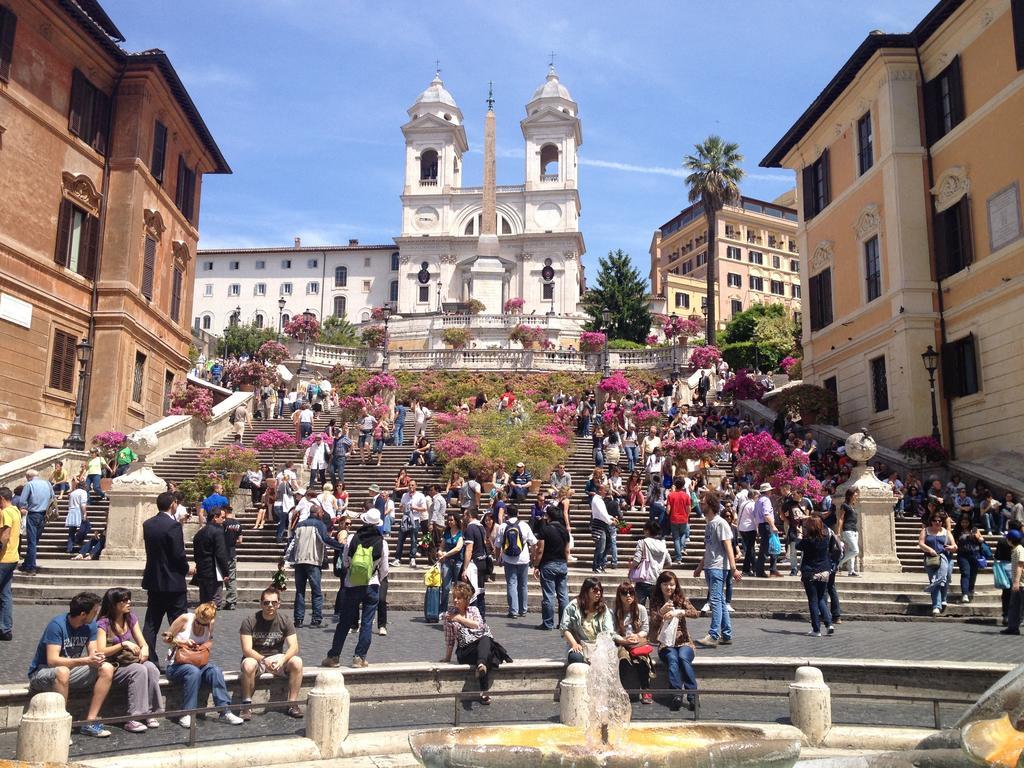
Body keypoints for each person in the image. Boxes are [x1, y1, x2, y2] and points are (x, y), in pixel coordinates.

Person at [27, 592, 113, 737]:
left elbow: (93, 650)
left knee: (107, 668)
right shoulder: (57, 625)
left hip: (70, 671)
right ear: (83, 614)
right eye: (94, 611)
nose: (96, 614)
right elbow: (52, 660)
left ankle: (89, 722)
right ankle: (60, 728)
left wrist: (96, 657)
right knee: (62, 671)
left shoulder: (90, 625)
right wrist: (85, 660)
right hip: (42, 673)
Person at [323, 509, 389, 668]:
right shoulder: (382, 542)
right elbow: (385, 569)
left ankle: (334, 657)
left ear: (364, 521)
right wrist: (376, 578)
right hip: (371, 585)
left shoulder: (352, 538)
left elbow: (345, 560)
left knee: (344, 622)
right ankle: (359, 658)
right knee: (367, 623)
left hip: (352, 584)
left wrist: (352, 572)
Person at [163, 602, 244, 727]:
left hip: (198, 663)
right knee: (192, 672)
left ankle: (225, 711)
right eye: (198, 622)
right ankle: (187, 714)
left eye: (204, 624)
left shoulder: (210, 624)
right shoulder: (185, 619)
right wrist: (181, 642)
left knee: (215, 670)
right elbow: (165, 638)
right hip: (176, 666)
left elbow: (208, 640)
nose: (200, 625)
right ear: (196, 615)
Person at [95, 588, 164, 732]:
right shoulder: (104, 623)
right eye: (124, 600)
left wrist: (144, 649)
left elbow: (142, 641)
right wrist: (123, 644)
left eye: (129, 599)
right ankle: (133, 718)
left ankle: (149, 712)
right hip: (112, 664)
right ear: (114, 604)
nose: (129, 602)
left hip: (128, 660)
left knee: (151, 667)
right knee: (139, 670)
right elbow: (101, 651)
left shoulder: (130, 618)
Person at [441, 582, 512, 704]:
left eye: (459, 598)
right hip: (465, 651)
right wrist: (447, 658)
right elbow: (450, 640)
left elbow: (478, 625)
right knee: (488, 648)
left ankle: (481, 668)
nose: (456, 601)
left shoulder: (474, 610)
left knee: (485, 641)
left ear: (466, 599)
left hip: (479, 648)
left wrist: (458, 618)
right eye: (454, 598)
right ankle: (482, 674)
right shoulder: (449, 615)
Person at [142, 491, 191, 666]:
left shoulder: (148, 524)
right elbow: (178, 554)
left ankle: (149, 658)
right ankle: (180, 658)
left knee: (151, 623)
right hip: (173, 582)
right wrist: (187, 569)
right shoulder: (174, 526)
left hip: (154, 580)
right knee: (179, 622)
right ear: (173, 504)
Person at [239, 587, 304, 720]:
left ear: (279, 604)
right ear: (261, 604)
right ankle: (246, 704)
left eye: (274, 602)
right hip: (255, 656)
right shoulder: (249, 621)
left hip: (277, 657)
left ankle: (292, 703)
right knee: (248, 665)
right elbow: (246, 649)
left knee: (297, 662)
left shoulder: (285, 620)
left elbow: (294, 647)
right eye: (266, 602)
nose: (270, 606)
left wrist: (282, 660)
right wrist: (263, 660)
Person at [693, 493, 740, 647]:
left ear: (711, 505)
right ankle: (726, 634)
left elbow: (728, 546)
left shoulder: (720, 523)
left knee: (714, 600)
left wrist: (733, 568)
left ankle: (714, 634)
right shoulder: (710, 524)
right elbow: (709, 549)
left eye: (704, 503)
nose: (701, 505)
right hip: (710, 566)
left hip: (718, 568)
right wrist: (700, 566)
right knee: (719, 600)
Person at [649, 571, 699, 711]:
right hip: (666, 644)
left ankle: (692, 695)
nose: (668, 588)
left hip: (684, 642)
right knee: (672, 658)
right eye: (665, 584)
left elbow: (696, 613)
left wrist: (680, 612)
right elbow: (652, 624)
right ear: (660, 585)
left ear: (675, 585)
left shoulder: (681, 599)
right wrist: (660, 613)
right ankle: (676, 694)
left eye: (671, 584)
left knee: (682, 657)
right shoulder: (656, 602)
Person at [292, 506, 343, 628]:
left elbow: (294, 542)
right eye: (322, 512)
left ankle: (298, 619)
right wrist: (342, 546)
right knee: (316, 592)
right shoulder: (319, 525)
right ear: (318, 513)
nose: (323, 514)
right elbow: (325, 540)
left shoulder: (300, 524)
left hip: (299, 561)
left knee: (300, 591)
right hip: (313, 560)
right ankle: (316, 619)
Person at [612, 581, 654, 704]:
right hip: (622, 643)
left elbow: (645, 629)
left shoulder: (640, 609)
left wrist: (637, 636)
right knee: (623, 659)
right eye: (625, 593)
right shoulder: (614, 612)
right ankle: (621, 691)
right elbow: (612, 632)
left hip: (637, 642)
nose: (628, 596)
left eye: (631, 593)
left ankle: (646, 689)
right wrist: (623, 640)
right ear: (619, 596)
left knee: (642, 658)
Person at [795, 516, 835, 636]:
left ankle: (816, 629)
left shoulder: (808, 540)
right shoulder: (826, 538)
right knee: (821, 598)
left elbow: (798, 545)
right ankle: (829, 623)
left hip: (810, 571)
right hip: (824, 571)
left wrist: (800, 534)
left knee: (813, 600)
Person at [496, 505, 537, 618]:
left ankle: (513, 610)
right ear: (518, 513)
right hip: (523, 559)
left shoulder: (503, 526)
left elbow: (497, 545)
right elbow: (534, 543)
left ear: (507, 514)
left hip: (508, 559)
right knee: (523, 585)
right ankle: (523, 609)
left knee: (511, 584)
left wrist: (498, 558)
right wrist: (532, 558)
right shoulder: (524, 525)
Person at [534, 505, 570, 630]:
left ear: (548, 516)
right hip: (562, 563)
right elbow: (567, 550)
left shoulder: (545, 529)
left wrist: (536, 565)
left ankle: (548, 623)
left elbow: (540, 550)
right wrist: (564, 562)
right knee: (563, 595)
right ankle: (563, 623)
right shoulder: (564, 530)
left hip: (548, 564)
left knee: (549, 595)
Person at [560, 577, 613, 664]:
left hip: (599, 646)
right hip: (579, 645)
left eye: (600, 590)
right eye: (595, 590)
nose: (598, 593)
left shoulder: (603, 608)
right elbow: (565, 628)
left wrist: (601, 647)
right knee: (575, 658)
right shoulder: (573, 606)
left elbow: (609, 631)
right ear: (586, 591)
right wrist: (574, 644)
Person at [919, 510, 957, 616]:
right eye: (935, 520)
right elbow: (921, 543)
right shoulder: (925, 531)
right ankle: (936, 606)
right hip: (931, 559)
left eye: (939, 521)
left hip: (945, 558)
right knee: (935, 580)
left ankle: (943, 598)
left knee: (944, 579)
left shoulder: (946, 532)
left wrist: (951, 547)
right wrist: (929, 549)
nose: (937, 522)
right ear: (931, 521)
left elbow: (955, 546)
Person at [17, 469, 53, 575]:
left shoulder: (29, 484)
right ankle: (26, 564)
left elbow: (22, 501)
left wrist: (25, 507)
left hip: (33, 514)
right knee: (34, 541)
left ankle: (31, 567)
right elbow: (52, 498)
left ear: (28, 476)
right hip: (44, 515)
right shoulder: (47, 484)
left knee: (31, 542)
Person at [192, 507, 230, 606]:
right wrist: (225, 572)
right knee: (213, 600)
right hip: (213, 569)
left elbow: (196, 552)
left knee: (204, 599)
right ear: (215, 517)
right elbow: (220, 553)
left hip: (201, 568)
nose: (224, 520)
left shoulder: (200, 532)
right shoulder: (218, 531)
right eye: (222, 517)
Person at [629, 520, 671, 606]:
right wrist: (659, 565)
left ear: (647, 531)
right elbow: (669, 562)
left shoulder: (642, 542)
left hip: (643, 579)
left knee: (639, 609)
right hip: (657, 579)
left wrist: (631, 568)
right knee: (655, 609)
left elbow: (636, 561)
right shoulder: (663, 544)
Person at [462, 507, 490, 618]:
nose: (463, 517)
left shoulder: (470, 528)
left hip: (474, 564)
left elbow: (469, 549)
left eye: (464, 515)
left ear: (469, 515)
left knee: (472, 591)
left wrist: (465, 568)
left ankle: (474, 618)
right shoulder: (481, 527)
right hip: (482, 561)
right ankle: (481, 617)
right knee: (480, 591)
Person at [0, 487, 20, 640]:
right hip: (13, 557)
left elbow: (5, 536)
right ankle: (5, 629)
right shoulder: (16, 511)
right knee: (5, 595)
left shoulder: (5, 512)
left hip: (3, 558)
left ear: (1, 498)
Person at [437, 512, 464, 614]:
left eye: (451, 520)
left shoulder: (461, 533)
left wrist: (445, 554)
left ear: (456, 521)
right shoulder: (447, 533)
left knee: (458, 588)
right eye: (448, 520)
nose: (450, 522)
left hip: (458, 562)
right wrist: (440, 551)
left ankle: (458, 609)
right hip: (447, 562)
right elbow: (442, 545)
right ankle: (442, 610)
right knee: (446, 587)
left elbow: (458, 548)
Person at [954, 514, 985, 604]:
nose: (964, 524)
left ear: (969, 522)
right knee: (965, 573)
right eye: (962, 522)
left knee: (973, 573)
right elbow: (954, 541)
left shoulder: (974, 529)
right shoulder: (957, 531)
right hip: (962, 555)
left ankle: (971, 589)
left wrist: (976, 537)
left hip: (974, 554)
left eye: (966, 522)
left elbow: (981, 540)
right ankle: (965, 594)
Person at [753, 483, 780, 578]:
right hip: (766, 525)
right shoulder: (766, 500)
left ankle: (769, 569)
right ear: (767, 491)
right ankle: (760, 570)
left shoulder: (758, 501)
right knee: (766, 548)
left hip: (762, 525)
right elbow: (766, 514)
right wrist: (773, 526)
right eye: (770, 490)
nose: (771, 492)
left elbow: (755, 515)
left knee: (765, 548)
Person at [1001, 529, 1024, 635]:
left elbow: (1020, 565)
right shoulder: (1015, 549)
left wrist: (1016, 582)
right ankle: (1013, 627)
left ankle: (1013, 627)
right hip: (1019, 583)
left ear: (1010, 540)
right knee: (1014, 605)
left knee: (1016, 605)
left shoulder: (1019, 550)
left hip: (1021, 584)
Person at [666, 477, 692, 565]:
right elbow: (689, 509)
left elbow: (668, 510)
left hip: (674, 519)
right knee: (683, 534)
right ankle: (680, 550)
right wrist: (687, 516)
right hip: (684, 518)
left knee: (676, 538)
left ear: (675, 485)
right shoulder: (686, 496)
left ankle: (678, 558)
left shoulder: (671, 495)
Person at [222, 507, 243, 610]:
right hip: (232, 552)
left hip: (222, 552)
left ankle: (216, 600)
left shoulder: (224, 523)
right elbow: (240, 540)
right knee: (232, 576)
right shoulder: (238, 524)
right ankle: (232, 601)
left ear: (225, 512)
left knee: (220, 576)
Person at [836, 489, 860, 577]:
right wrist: (838, 531)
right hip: (848, 530)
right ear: (850, 495)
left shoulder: (852, 506)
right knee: (855, 550)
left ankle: (851, 570)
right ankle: (839, 563)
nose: (856, 496)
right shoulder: (844, 505)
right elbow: (841, 518)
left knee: (851, 551)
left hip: (854, 530)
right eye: (855, 495)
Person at [590, 485, 614, 573]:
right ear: (600, 490)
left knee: (608, 544)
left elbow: (604, 513)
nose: (606, 492)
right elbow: (601, 514)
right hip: (599, 525)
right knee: (601, 546)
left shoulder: (599, 500)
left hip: (603, 524)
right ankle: (597, 566)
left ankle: (601, 564)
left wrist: (611, 518)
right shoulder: (596, 500)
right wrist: (611, 521)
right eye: (605, 490)